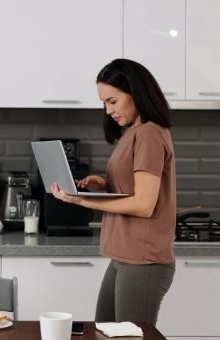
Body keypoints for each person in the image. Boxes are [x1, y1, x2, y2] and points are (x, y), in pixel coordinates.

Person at [50, 58, 176, 326]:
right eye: (104, 103)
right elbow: (134, 185)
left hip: (143, 259)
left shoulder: (150, 134)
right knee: (104, 331)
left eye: (113, 101)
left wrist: (85, 201)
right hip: (125, 255)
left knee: (127, 336)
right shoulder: (132, 132)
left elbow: (143, 204)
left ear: (136, 93)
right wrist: (104, 184)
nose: (108, 110)